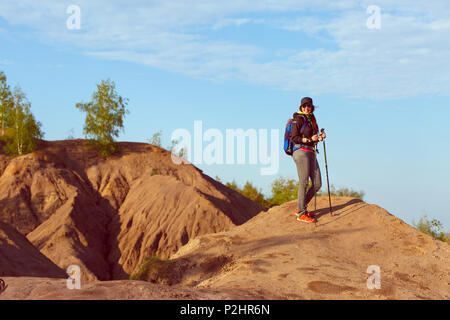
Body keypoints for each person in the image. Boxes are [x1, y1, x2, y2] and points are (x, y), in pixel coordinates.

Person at [291, 97, 326, 223]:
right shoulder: (298, 119)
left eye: (309, 106)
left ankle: (301, 206)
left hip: (311, 152)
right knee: (304, 182)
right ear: (301, 107)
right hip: (301, 152)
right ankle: (301, 213)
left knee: (317, 183)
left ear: (312, 107)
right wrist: (310, 139)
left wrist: (319, 137)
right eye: (304, 106)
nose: (307, 108)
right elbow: (294, 138)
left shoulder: (312, 120)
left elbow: (313, 137)